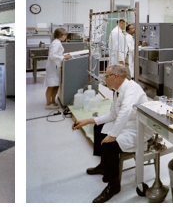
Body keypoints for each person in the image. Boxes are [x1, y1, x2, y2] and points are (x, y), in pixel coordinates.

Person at [72, 64, 149, 203]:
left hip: (138, 129)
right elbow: (113, 115)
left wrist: (112, 135)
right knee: (98, 127)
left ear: (115, 76)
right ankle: (103, 165)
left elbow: (125, 112)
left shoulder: (131, 89)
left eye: (106, 76)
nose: (104, 79)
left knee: (109, 145)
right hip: (126, 124)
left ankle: (113, 185)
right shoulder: (117, 90)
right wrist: (88, 121)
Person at [45, 28, 72, 108]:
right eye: (65, 35)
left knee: (56, 85)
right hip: (53, 68)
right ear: (60, 35)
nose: (65, 37)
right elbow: (52, 56)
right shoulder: (55, 43)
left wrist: (64, 56)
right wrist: (63, 57)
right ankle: (48, 104)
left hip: (56, 67)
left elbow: (57, 54)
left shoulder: (58, 42)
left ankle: (53, 101)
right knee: (51, 85)